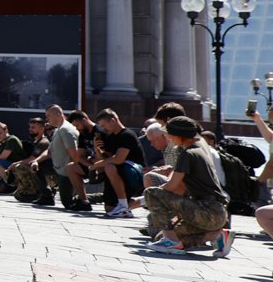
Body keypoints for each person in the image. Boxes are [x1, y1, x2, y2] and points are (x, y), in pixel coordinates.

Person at [145, 117, 233, 257]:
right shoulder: (199, 150)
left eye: (169, 134)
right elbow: (182, 189)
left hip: (207, 211)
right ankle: (216, 236)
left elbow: (172, 186)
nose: (167, 137)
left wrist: (148, 201)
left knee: (151, 193)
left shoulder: (187, 154)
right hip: (216, 214)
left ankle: (170, 241)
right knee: (159, 237)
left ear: (180, 135)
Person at [70, 108, 141, 218]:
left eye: (104, 125)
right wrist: (97, 149)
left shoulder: (127, 135)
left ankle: (123, 205)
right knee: (109, 208)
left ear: (113, 120)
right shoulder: (110, 137)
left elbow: (118, 159)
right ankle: (138, 202)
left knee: (109, 167)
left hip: (133, 172)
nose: (103, 129)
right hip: (117, 173)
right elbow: (104, 158)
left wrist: (96, 165)